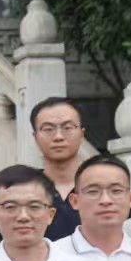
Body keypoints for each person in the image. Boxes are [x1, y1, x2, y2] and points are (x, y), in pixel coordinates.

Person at [28, 97, 85, 242]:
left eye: (68, 128)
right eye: (48, 129)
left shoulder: (103, 189)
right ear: (35, 137)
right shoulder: (23, 191)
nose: (58, 137)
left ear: (82, 134)